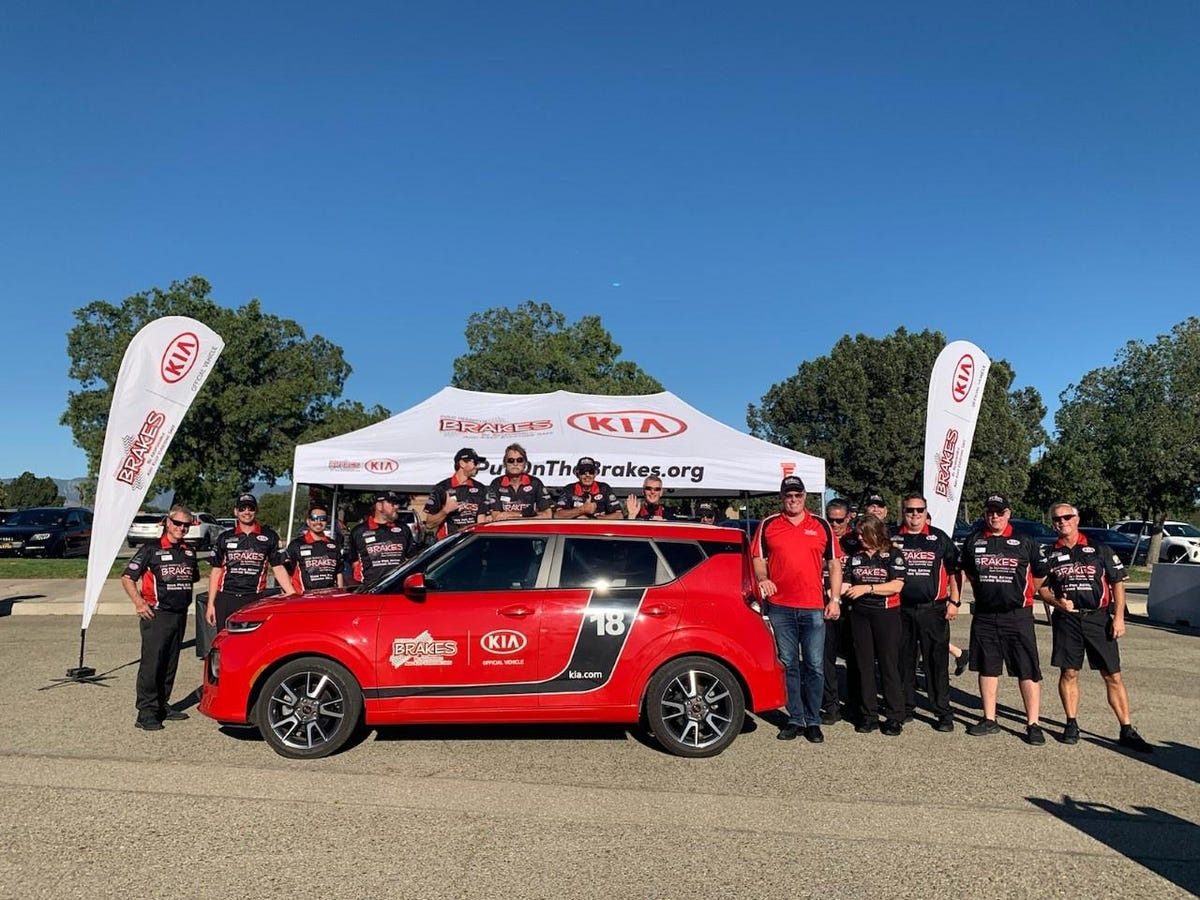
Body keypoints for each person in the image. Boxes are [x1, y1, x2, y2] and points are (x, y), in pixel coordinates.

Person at [1038, 502, 1153, 752]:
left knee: (1112, 674)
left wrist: (1119, 617)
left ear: (1077, 519)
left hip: (1098, 619)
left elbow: (1117, 582)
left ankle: (1126, 728)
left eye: (1067, 517)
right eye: (1057, 519)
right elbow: (1042, 589)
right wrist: (1056, 602)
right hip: (1067, 620)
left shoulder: (1099, 549)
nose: (1062, 522)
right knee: (1069, 673)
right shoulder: (1048, 553)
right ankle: (1071, 723)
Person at [752, 476, 842, 744]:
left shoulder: (821, 525)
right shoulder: (769, 524)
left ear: (805, 496)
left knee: (814, 666)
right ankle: (795, 718)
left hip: (813, 606)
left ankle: (813, 720)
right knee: (789, 664)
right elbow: (758, 558)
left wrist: (835, 599)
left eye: (798, 495)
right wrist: (762, 578)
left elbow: (834, 564)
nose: (793, 500)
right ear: (782, 497)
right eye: (788, 495)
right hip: (780, 607)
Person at [959, 494, 1049, 744]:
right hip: (985, 614)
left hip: (1017, 615)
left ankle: (1033, 723)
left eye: (999, 512)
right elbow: (969, 572)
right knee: (987, 667)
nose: (994, 516)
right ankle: (990, 719)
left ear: (1008, 513)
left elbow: (1041, 572)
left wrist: (1025, 593)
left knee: (1027, 669)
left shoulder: (1025, 541)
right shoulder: (974, 540)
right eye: (990, 512)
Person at [123, 504, 201, 731]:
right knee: (152, 663)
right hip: (156, 615)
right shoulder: (151, 549)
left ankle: (162, 705)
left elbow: (192, 577)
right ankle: (146, 711)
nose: (181, 528)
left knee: (170, 663)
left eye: (186, 525)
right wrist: (139, 602)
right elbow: (127, 578)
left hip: (179, 614)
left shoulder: (189, 551)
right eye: (177, 523)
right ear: (167, 522)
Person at [894, 493, 961, 732]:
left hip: (933, 610)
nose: (915, 514)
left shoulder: (938, 538)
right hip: (900, 610)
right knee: (904, 660)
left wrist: (955, 601)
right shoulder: (892, 537)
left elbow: (954, 570)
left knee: (936, 662)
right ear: (903, 512)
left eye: (919, 510)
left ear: (925, 511)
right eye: (910, 510)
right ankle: (905, 707)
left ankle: (942, 711)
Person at [841, 515, 908, 735]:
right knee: (864, 665)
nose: (860, 538)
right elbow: (847, 583)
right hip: (860, 615)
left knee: (888, 665)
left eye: (863, 534)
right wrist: (833, 592)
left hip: (886, 613)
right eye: (858, 534)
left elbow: (896, 585)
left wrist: (868, 588)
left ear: (875, 532)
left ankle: (895, 716)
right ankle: (868, 715)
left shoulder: (893, 554)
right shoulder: (855, 556)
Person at [206, 494, 294, 633]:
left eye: (250, 508)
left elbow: (278, 567)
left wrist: (291, 593)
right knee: (225, 639)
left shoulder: (269, 536)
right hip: (226, 597)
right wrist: (211, 604)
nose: (246, 512)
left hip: (254, 598)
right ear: (236, 511)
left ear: (256, 510)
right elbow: (216, 572)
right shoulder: (225, 537)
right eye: (242, 509)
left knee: (252, 640)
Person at [821, 498, 862, 725]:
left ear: (848, 518)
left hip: (852, 606)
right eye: (831, 520)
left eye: (839, 520)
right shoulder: (820, 538)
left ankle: (855, 704)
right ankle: (831, 705)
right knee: (825, 658)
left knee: (855, 658)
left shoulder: (856, 540)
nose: (835, 525)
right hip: (824, 605)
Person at [348, 490, 414, 587]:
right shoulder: (358, 531)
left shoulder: (403, 529)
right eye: (392, 503)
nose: (396, 506)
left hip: (398, 588)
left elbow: (410, 558)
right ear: (379, 506)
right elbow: (354, 561)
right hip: (370, 589)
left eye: (396, 503)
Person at [424, 448, 489, 539]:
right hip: (448, 543)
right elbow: (429, 524)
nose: (478, 466)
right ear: (462, 463)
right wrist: (445, 511)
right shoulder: (441, 488)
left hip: (470, 542)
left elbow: (481, 521)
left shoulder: (481, 488)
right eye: (475, 462)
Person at [283, 504, 345, 593]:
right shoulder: (296, 545)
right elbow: (285, 573)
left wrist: (339, 593)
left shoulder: (334, 545)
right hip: (303, 598)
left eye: (322, 518)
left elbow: (339, 573)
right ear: (308, 521)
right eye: (314, 518)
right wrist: (290, 594)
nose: (318, 522)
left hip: (329, 597)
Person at [483, 443, 553, 520]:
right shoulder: (496, 484)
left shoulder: (535, 483)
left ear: (525, 464)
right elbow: (496, 516)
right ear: (505, 464)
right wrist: (529, 514)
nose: (515, 463)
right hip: (506, 527)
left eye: (519, 460)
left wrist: (512, 515)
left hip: (529, 526)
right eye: (510, 460)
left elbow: (547, 515)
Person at [553, 457, 623, 519]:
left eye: (591, 471)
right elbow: (557, 515)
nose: (587, 475)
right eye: (583, 472)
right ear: (577, 474)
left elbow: (619, 516)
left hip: (599, 528)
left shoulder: (604, 488)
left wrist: (593, 519)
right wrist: (582, 509)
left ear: (595, 473)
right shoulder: (569, 489)